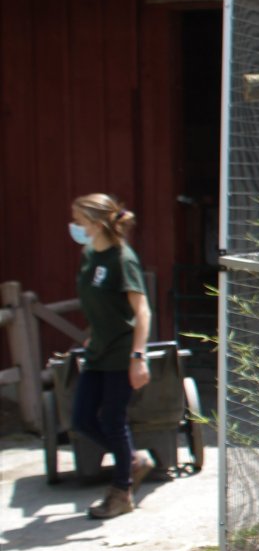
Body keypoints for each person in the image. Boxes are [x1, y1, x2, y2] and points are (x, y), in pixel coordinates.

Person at [69, 193, 154, 519]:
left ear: (96, 222)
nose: (75, 226)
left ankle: (121, 493)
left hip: (121, 352)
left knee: (112, 420)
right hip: (98, 351)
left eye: (79, 219)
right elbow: (99, 303)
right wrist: (95, 332)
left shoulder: (122, 259)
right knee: (82, 419)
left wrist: (138, 356)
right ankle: (132, 460)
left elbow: (142, 311)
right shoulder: (89, 255)